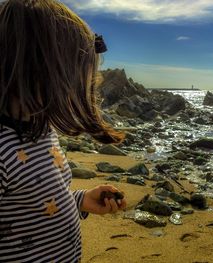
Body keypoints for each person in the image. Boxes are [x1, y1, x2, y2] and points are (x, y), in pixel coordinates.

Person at [0, 0, 126, 262]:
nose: (77, 89)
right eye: (75, 78)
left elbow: (34, 200)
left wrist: (79, 200)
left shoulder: (41, 128)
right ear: (43, 71)